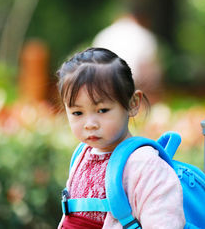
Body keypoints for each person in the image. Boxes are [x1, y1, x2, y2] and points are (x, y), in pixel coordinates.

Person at [56, 47, 185, 229]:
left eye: (102, 110)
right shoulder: (81, 154)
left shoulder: (145, 164)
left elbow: (165, 223)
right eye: (77, 112)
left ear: (132, 104)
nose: (90, 124)